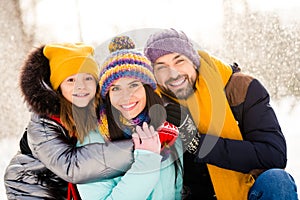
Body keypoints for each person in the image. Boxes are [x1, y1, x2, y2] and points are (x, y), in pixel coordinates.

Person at [143, 28, 298, 199]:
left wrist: (198, 144)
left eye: (179, 61)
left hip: (248, 192)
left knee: (277, 181)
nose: (173, 73)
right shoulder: (155, 105)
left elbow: (274, 155)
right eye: (161, 67)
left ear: (194, 61)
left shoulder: (241, 89)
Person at [4, 43, 135, 199]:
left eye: (87, 78)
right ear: (58, 86)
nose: (81, 86)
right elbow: (71, 166)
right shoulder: (44, 123)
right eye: (71, 80)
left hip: (67, 188)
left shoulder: (97, 108)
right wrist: (140, 148)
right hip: (31, 186)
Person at [76, 47, 183, 199]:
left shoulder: (167, 131)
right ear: (107, 96)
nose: (126, 96)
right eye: (116, 88)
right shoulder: (92, 142)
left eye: (134, 85)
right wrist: (147, 161)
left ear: (147, 89)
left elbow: (175, 191)